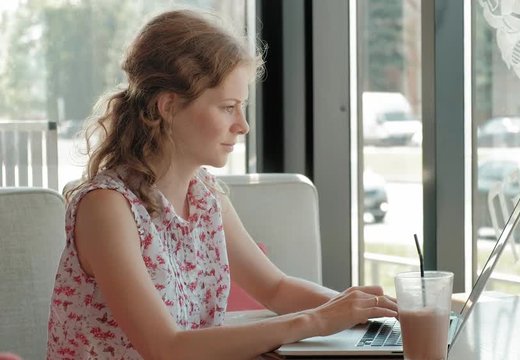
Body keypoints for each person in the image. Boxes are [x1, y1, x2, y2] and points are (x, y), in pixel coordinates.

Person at [47, 9, 397, 360]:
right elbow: (164, 348)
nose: (243, 125)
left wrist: (365, 311)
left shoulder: (205, 195)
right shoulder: (107, 207)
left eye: (241, 107)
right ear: (168, 106)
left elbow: (275, 288)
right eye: (228, 107)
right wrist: (316, 320)